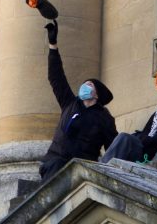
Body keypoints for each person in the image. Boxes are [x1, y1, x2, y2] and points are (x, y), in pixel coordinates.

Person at [39, 20, 117, 181]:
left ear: (97, 94)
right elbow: (56, 77)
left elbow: (112, 148)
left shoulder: (104, 118)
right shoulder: (70, 103)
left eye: (89, 85)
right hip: (54, 163)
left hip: (82, 170)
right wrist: (53, 45)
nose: (84, 86)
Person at [100, 92, 157, 164]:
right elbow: (146, 132)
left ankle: (101, 168)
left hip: (154, 151)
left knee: (124, 138)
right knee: (123, 140)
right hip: (145, 147)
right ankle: (102, 168)